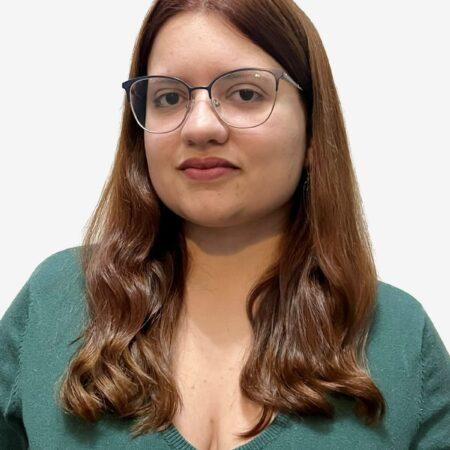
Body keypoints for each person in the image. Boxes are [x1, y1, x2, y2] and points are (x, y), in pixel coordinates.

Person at [1, 0, 449, 449]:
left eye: (246, 94)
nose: (199, 127)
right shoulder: (54, 302)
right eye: (169, 98)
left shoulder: (400, 337)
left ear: (314, 130)